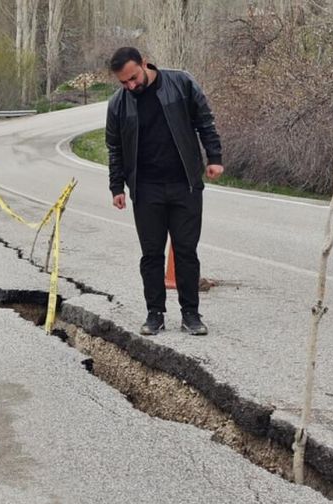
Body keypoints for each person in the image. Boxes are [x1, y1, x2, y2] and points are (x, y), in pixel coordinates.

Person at [105, 47, 224, 336]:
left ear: (145, 64)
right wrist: (116, 187)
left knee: (186, 252)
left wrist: (214, 157)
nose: (131, 86)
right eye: (124, 82)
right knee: (151, 255)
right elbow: (115, 148)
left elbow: (204, 120)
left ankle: (191, 315)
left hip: (184, 184)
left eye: (133, 78)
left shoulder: (180, 83)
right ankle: (154, 314)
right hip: (146, 190)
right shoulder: (118, 104)